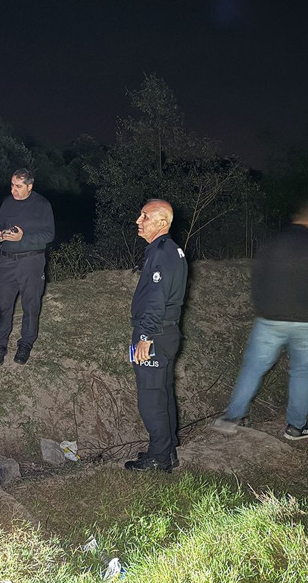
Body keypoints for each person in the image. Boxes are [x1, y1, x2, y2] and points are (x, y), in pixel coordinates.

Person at [212, 199, 308, 440]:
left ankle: (231, 418)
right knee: (301, 371)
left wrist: (264, 307)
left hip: (271, 319)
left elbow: (257, 279)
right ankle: (296, 427)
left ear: (296, 217)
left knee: (253, 368)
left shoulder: (273, 243)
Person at [124, 199, 187, 473]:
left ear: (162, 223)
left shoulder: (162, 253)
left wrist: (145, 336)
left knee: (151, 397)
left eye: (145, 216)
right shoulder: (170, 250)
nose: (139, 220)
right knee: (163, 394)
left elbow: (156, 298)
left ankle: (159, 457)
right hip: (167, 332)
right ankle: (168, 450)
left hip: (155, 334)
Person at [0, 168, 55, 366]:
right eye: (12, 185)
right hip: (7, 261)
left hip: (31, 262)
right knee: (2, 306)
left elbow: (48, 235)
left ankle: (25, 344)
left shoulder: (42, 204)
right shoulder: (7, 202)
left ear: (29, 186)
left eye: (18, 186)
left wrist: (23, 237)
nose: (13, 190)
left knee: (31, 305)